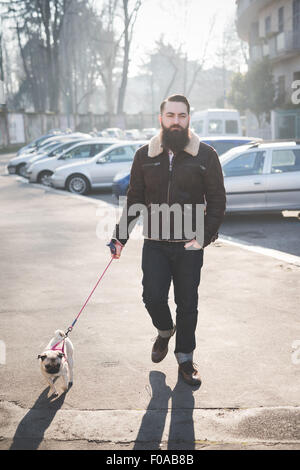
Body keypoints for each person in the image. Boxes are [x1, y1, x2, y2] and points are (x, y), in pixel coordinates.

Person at [108, 94, 226, 386]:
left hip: (190, 244)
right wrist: (119, 237)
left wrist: (204, 237)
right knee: (152, 297)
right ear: (161, 118)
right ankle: (164, 331)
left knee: (187, 303)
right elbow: (135, 199)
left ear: (188, 119)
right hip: (156, 242)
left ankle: (185, 358)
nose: (176, 121)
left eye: (182, 116)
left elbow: (217, 200)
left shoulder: (205, 155)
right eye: (170, 115)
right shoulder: (144, 155)